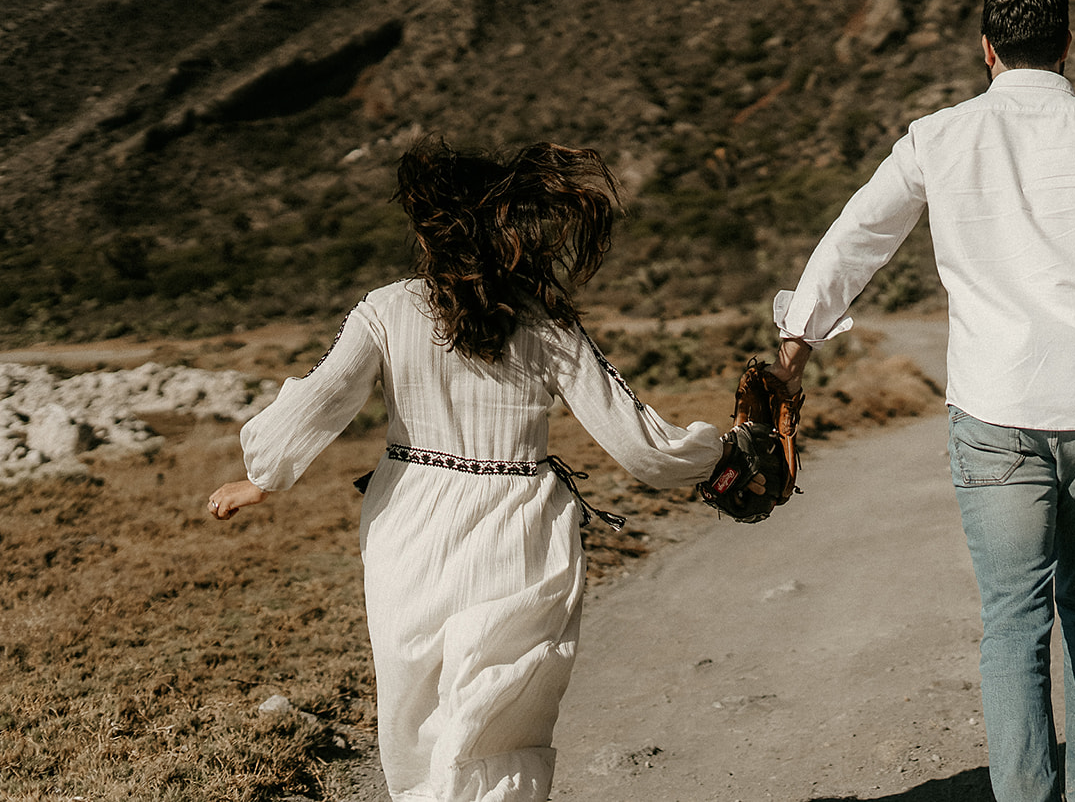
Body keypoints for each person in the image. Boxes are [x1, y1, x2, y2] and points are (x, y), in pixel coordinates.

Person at [769, 0, 1075, 802]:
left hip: (993, 411)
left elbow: (856, 239)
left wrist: (797, 342)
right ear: (1067, 45)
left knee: (1014, 621)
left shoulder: (936, 138)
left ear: (987, 49)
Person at [207, 138, 732, 802]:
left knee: (415, 712)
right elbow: (642, 450)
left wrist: (265, 476)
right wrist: (723, 454)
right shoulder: (547, 325)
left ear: (431, 233)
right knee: (496, 717)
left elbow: (324, 396)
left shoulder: (387, 308)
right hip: (519, 531)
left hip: (409, 524)